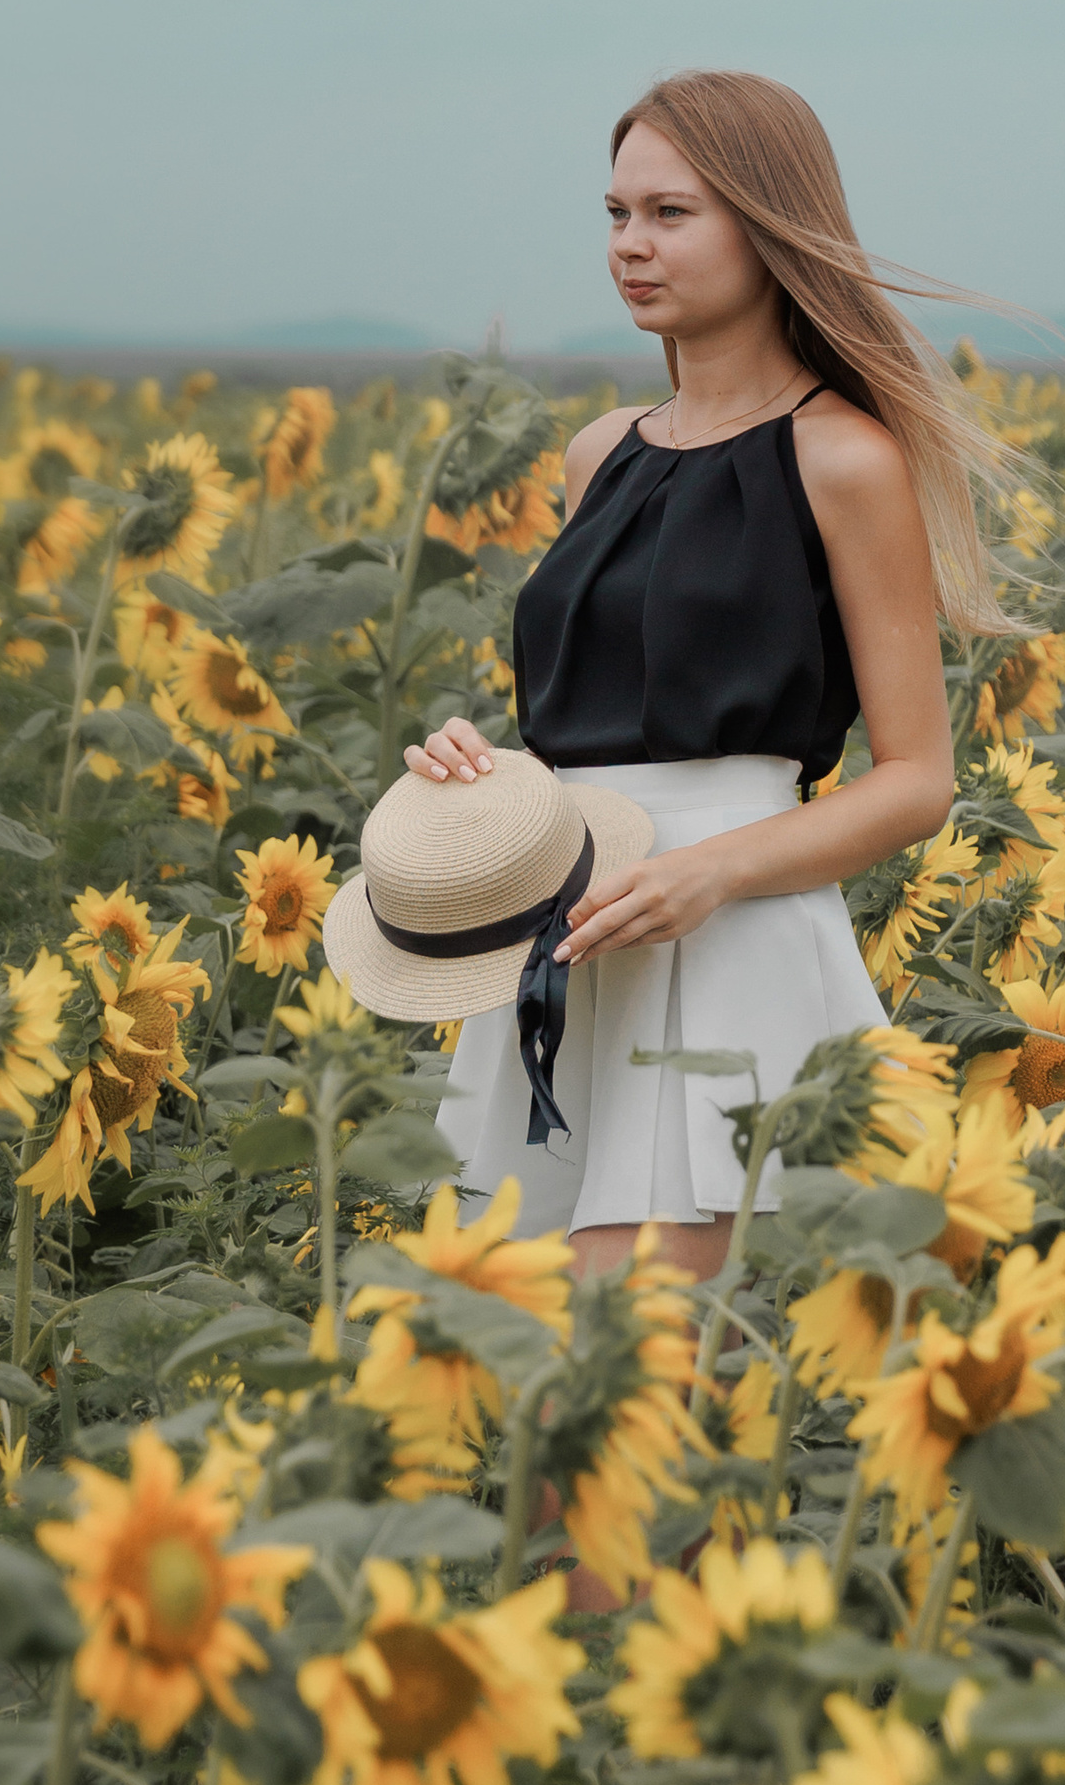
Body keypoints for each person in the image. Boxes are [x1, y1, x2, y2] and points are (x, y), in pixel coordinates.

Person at [389, 67, 1013, 1284]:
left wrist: (708, 874)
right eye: (617, 214)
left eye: (671, 214)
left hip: (733, 943)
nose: (631, 246)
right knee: (522, 1356)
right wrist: (491, 777)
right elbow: (614, 733)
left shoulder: (843, 459)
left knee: (626, 1351)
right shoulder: (598, 456)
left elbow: (917, 781)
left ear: (770, 225)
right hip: (575, 927)